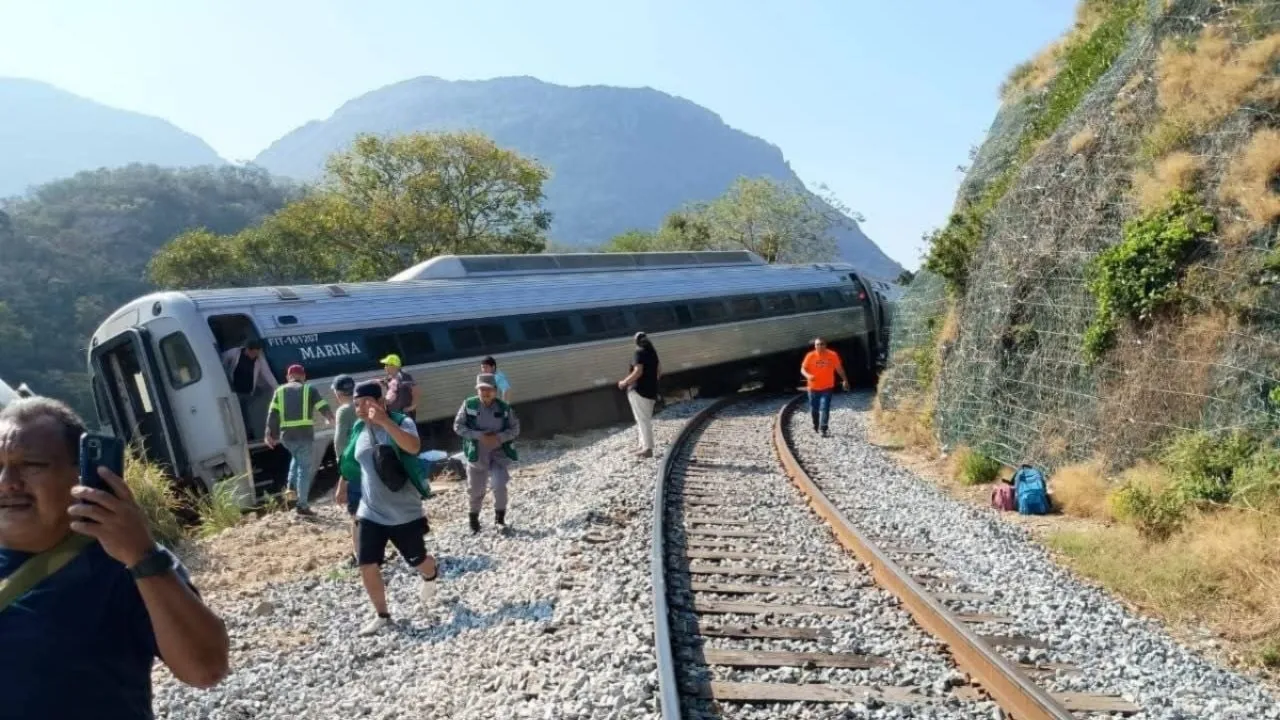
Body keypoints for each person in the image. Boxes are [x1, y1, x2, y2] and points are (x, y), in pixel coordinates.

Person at [0, 398, 229, 718]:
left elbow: (206, 668)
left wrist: (141, 556)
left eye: (32, 465)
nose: (7, 482)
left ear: (82, 475)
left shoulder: (123, 561)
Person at [338, 380, 438, 637]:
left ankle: (430, 576)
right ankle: (382, 615)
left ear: (380, 402)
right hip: (370, 510)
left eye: (364, 403)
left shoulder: (401, 422)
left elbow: (413, 447)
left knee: (419, 561)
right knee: (366, 562)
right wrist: (343, 484)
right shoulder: (359, 428)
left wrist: (384, 422)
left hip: (404, 511)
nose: (359, 408)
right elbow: (353, 459)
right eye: (356, 403)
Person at [453, 373, 521, 534]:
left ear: (495, 390)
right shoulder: (469, 405)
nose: (485, 392)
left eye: (488, 389)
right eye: (481, 389)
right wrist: (479, 436)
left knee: (499, 485)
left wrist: (499, 438)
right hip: (477, 453)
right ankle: (473, 520)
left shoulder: (504, 408)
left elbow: (515, 428)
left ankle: (500, 520)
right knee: (476, 490)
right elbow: (458, 426)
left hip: (498, 453)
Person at [264, 364, 334, 517]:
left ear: (288, 377)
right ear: (303, 376)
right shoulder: (309, 389)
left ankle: (290, 489)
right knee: (304, 469)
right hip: (304, 435)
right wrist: (330, 417)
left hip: (287, 437)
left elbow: (272, 414)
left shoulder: (279, 391)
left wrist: (269, 434)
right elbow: (322, 406)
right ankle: (302, 505)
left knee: (296, 459)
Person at [220, 339, 278, 441]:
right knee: (237, 415)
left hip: (247, 393)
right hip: (235, 392)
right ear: (247, 349)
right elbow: (221, 360)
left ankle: (249, 436)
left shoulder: (259, 359)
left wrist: (278, 389)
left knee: (246, 416)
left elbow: (267, 374)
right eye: (253, 353)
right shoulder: (235, 353)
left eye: (257, 353)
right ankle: (240, 437)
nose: (255, 355)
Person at [330, 375, 359, 564]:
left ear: (338, 393)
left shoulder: (344, 411)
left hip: (355, 469)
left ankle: (360, 555)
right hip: (372, 465)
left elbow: (341, 446)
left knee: (356, 513)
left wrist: (343, 479)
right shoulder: (363, 406)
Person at [617, 332, 661, 458]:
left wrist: (624, 382)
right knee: (642, 419)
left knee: (642, 420)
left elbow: (638, 371)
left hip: (639, 391)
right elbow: (659, 372)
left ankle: (647, 448)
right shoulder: (653, 353)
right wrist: (652, 383)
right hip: (651, 392)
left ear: (636, 341)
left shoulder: (638, 352)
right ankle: (642, 445)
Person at [800, 337, 849, 438]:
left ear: (825, 345)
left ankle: (823, 428)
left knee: (825, 407)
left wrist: (845, 380)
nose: (819, 346)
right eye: (817, 344)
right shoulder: (810, 355)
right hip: (812, 388)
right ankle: (815, 425)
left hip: (827, 387)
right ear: (815, 346)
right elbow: (803, 369)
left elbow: (839, 368)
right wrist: (808, 376)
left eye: (821, 344)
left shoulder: (832, 355)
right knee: (814, 409)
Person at [379, 354, 420, 421]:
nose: (385, 367)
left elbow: (416, 390)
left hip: (404, 415)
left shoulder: (404, 377)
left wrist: (412, 407)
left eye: (386, 365)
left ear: (394, 366)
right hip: (394, 414)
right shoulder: (390, 378)